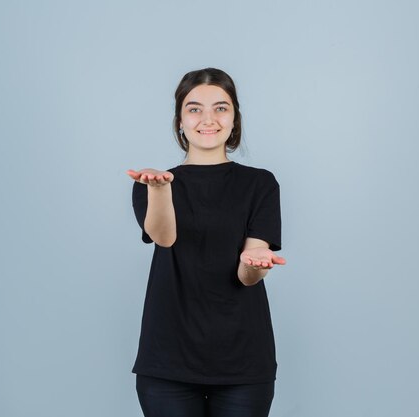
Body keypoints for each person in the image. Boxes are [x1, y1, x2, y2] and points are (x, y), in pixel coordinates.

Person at [126, 68, 286, 417]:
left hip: (244, 362)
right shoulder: (151, 184)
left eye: (221, 107)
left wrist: (255, 263)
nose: (208, 119)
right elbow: (164, 237)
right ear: (180, 121)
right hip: (167, 361)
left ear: (234, 119)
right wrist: (160, 189)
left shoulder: (260, 184)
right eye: (195, 108)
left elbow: (247, 275)